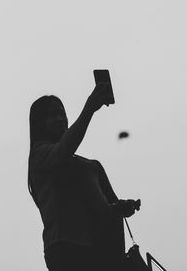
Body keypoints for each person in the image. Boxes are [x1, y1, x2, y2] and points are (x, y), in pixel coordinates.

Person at [27, 83, 141, 270]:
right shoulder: (40, 156)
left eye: (61, 113)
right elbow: (62, 151)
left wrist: (122, 207)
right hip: (66, 248)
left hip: (97, 249)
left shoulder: (88, 165)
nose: (60, 119)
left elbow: (106, 208)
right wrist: (89, 108)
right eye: (52, 115)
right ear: (40, 123)